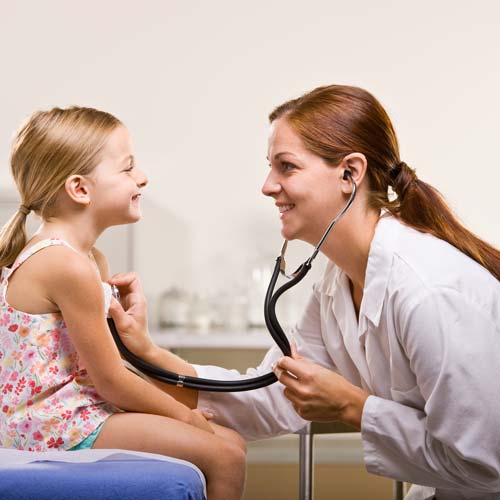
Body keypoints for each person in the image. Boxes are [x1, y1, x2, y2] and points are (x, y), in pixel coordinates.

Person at [108, 85, 500, 500]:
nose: (267, 186)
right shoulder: (337, 283)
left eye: (287, 167)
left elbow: (486, 463)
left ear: (350, 173)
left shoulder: (429, 291)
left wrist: (353, 406)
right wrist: (148, 354)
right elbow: (270, 399)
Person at [0, 107, 246, 500]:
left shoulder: (89, 260)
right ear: (80, 189)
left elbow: (102, 365)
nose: (142, 178)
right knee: (225, 455)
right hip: (53, 424)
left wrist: (138, 339)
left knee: (231, 442)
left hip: (78, 411)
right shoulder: (65, 264)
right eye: (128, 168)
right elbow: (111, 380)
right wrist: (188, 418)